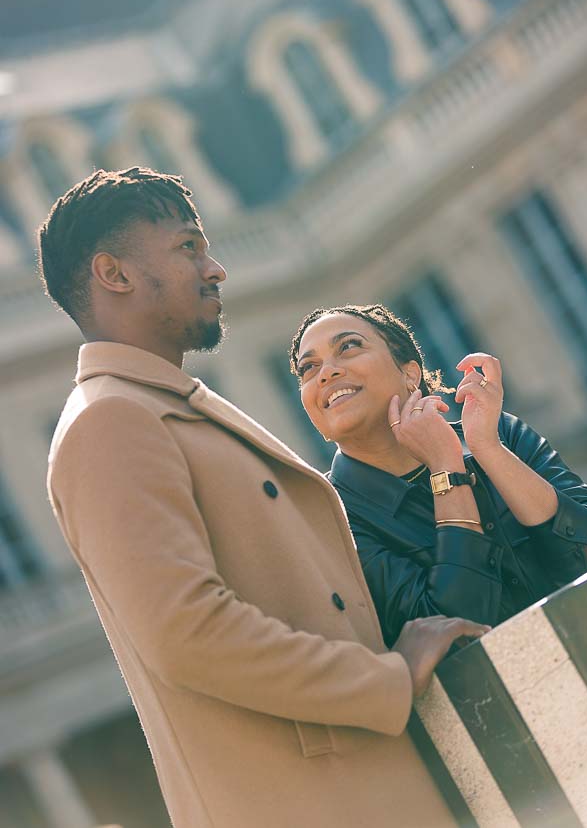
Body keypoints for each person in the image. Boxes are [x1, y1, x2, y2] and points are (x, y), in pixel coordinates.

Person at [38, 168, 488, 828]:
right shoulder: (109, 423)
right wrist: (390, 678)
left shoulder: (158, 406)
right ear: (116, 274)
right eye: (188, 247)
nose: (215, 268)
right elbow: (189, 633)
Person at [290, 304, 587, 648]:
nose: (326, 373)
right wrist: (447, 471)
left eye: (348, 346)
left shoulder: (501, 434)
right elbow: (454, 634)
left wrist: (488, 449)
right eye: (308, 368)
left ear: (410, 373)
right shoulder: (329, 521)